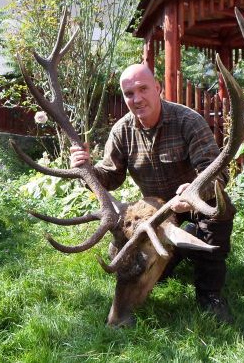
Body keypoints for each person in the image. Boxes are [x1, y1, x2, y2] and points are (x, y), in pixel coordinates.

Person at [70, 63, 235, 323]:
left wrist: (193, 193)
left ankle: (210, 294)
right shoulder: (122, 131)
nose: (137, 99)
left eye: (143, 89)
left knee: (219, 213)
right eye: (129, 93)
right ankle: (179, 252)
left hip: (194, 203)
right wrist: (85, 170)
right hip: (157, 215)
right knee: (147, 269)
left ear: (157, 88)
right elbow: (111, 176)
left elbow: (217, 174)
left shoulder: (188, 121)